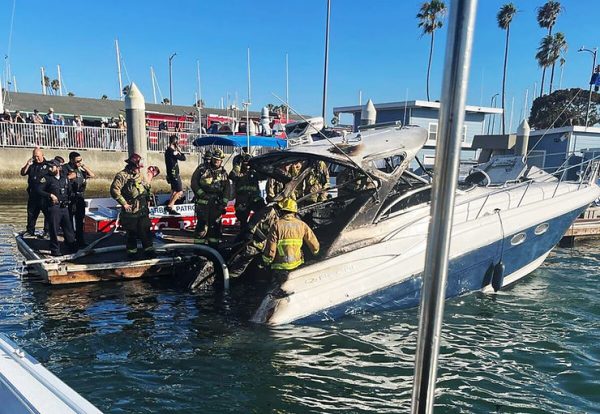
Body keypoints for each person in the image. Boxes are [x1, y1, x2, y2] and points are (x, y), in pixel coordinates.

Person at [110, 153, 156, 258]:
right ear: (131, 166)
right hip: (131, 211)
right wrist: (124, 203)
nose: (139, 170)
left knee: (145, 231)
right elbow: (114, 191)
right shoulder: (122, 176)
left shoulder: (139, 175)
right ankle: (132, 253)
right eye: (137, 168)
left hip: (142, 210)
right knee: (132, 233)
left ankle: (149, 250)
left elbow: (144, 187)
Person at [262, 198, 319, 274]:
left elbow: (271, 249)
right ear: (294, 212)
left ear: (282, 211)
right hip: (297, 265)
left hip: (280, 267)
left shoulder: (276, 225)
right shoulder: (302, 225)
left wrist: (267, 261)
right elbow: (314, 244)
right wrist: (316, 253)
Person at [36, 159, 77, 256]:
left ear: (58, 167)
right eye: (49, 167)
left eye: (52, 166)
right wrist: (50, 195)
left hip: (64, 207)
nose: (50, 168)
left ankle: (72, 247)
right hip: (54, 207)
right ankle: (55, 250)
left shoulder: (64, 178)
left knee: (68, 229)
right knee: (54, 230)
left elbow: (69, 191)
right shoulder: (46, 178)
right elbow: (38, 190)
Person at [190, 148, 229, 245]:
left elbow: (227, 190)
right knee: (201, 226)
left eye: (219, 160)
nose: (216, 161)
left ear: (221, 160)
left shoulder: (224, 173)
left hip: (216, 205)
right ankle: (199, 249)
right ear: (212, 158)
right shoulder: (202, 169)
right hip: (203, 203)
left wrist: (224, 203)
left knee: (215, 227)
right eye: (215, 159)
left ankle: (213, 249)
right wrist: (202, 194)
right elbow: (194, 183)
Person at [65, 152, 95, 247]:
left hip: (80, 198)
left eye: (80, 160)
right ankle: (70, 241)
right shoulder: (66, 168)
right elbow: (60, 179)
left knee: (80, 221)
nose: (79, 162)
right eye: (77, 161)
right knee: (69, 221)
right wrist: (70, 177)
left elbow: (92, 175)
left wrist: (84, 166)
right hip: (70, 197)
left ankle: (80, 240)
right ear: (71, 160)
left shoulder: (80, 170)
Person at [20, 148, 50, 237]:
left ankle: (47, 231)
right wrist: (28, 164)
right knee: (31, 214)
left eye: (38, 156)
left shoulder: (48, 165)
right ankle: (30, 230)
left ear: (42, 155)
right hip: (33, 195)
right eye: (34, 156)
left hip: (44, 195)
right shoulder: (32, 165)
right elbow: (23, 173)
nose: (36, 158)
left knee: (47, 214)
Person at [229, 153, 263, 229]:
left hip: (254, 199)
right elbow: (232, 176)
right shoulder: (237, 173)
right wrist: (237, 166)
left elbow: (264, 176)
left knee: (262, 210)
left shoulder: (255, 173)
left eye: (249, 164)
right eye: (245, 164)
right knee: (242, 220)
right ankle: (244, 236)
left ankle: (252, 227)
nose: (247, 166)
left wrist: (257, 166)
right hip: (242, 201)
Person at [164, 135, 186, 215]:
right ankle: (170, 206)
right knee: (179, 191)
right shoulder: (172, 151)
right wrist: (180, 150)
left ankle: (171, 208)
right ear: (175, 142)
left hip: (170, 173)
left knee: (174, 191)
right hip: (174, 174)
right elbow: (183, 158)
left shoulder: (167, 151)